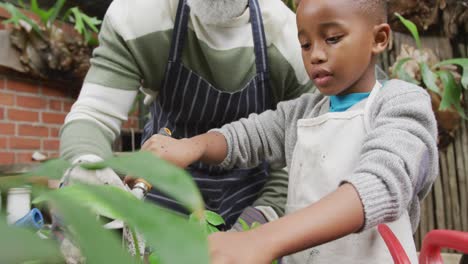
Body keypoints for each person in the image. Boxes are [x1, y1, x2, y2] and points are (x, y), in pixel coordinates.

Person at [140, 0, 439, 263]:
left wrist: (262, 239)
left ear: (379, 38)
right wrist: (194, 146)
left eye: (332, 38)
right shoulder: (303, 112)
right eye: (305, 44)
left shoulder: (401, 104)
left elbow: (382, 183)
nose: (316, 55)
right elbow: (247, 135)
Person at [59, 0, 313, 228]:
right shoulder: (137, 16)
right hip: (159, 193)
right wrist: (87, 170)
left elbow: (302, 151)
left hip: (252, 196)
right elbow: (94, 116)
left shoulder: (293, 38)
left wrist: (255, 225)